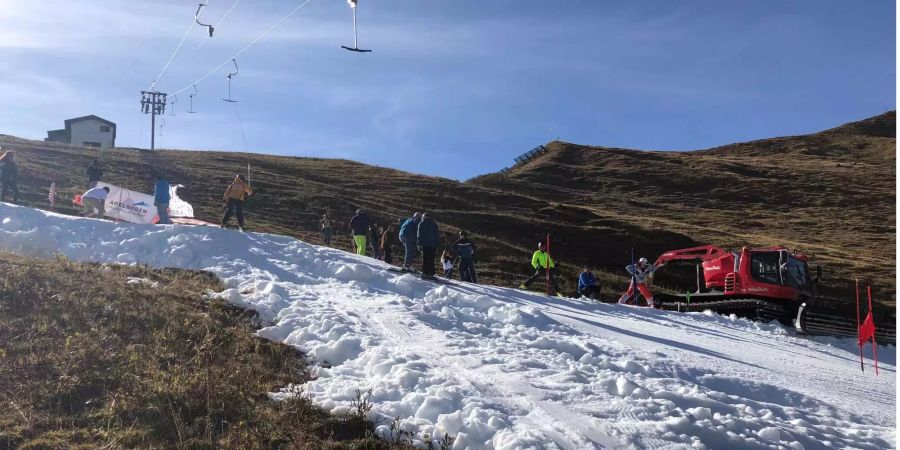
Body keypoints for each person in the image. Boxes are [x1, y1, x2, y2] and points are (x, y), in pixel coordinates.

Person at [416, 212, 439, 279]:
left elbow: (419, 235)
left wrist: (419, 244)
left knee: (425, 259)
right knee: (431, 259)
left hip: (424, 245)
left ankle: (424, 273)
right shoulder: (434, 223)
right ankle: (431, 274)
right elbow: (436, 235)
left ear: (423, 216)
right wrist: (436, 244)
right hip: (432, 245)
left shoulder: (421, 223)